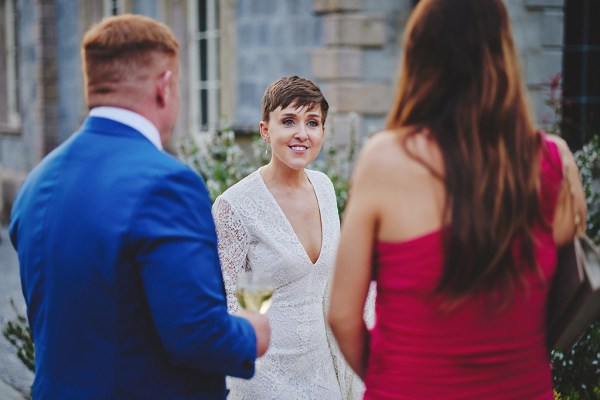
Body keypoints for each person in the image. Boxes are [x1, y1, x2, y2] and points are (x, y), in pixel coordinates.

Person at [328, 0, 587, 399]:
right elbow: (568, 288)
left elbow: (343, 315)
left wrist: (392, 379)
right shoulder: (553, 162)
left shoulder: (385, 160)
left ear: (419, 58)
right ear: (502, 56)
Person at [9, 14, 269, 400]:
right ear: (165, 86)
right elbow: (199, 336)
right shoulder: (167, 182)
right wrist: (252, 332)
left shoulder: (36, 182)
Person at [212, 75, 364, 399]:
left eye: (312, 122)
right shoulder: (234, 206)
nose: (301, 133)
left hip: (323, 374)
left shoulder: (324, 188)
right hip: (263, 379)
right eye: (288, 121)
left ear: (323, 131)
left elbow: (332, 285)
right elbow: (222, 305)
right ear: (265, 130)